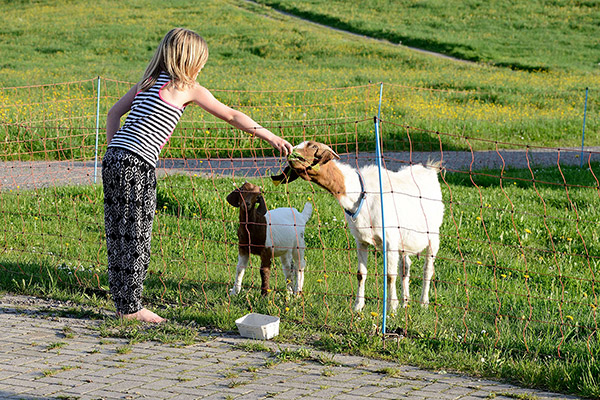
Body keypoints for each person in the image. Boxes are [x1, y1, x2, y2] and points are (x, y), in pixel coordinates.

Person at [103, 27, 293, 323]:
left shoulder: (147, 81)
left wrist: (114, 149)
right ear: (191, 59)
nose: (202, 66)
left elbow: (113, 114)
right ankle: (132, 309)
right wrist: (270, 137)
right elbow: (231, 115)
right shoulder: (187, 87)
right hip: (137, 165)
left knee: (118, 232)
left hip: (114, 160)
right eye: (202, 61)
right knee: (138, 235)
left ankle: (123, 303)